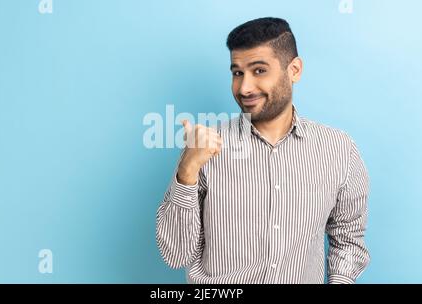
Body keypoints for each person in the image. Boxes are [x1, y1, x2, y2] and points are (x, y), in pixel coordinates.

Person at [156, 17, 370, 284]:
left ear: (294, 70)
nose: (244, 88)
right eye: (237, 73)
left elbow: (348, 237)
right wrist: (187, 170)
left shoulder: (339, 150)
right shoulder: (202, 150)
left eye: (259, 71)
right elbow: (176, 255)